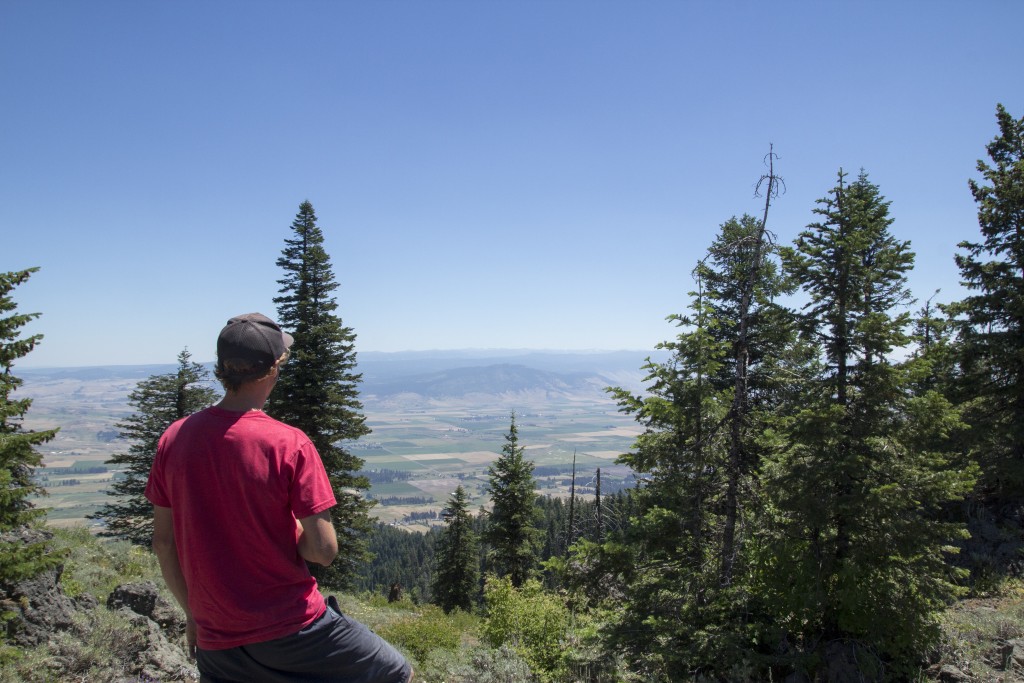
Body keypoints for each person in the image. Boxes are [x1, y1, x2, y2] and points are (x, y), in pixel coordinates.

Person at [145, 313, 412, 683]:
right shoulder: (289, 443)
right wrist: (284, 536)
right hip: (291, 626)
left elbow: (163, 542)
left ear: (223, 369)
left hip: (215, 637)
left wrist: (193, 615)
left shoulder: (174, 439)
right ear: (272, 370)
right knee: (396, 673)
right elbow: (323, 550)